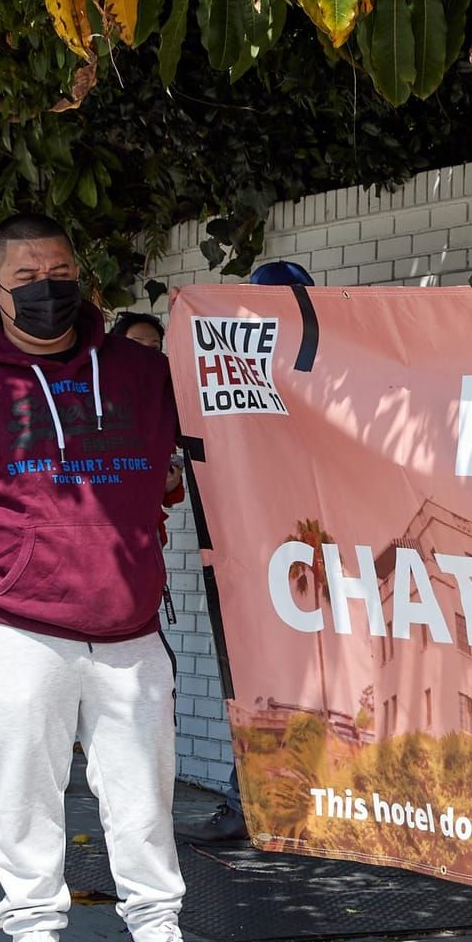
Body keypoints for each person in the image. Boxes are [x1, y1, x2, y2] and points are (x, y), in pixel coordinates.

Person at [0, 213, 238, 942]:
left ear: (82, 274)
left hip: (128, 624)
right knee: (24, 788)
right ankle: (31, 941)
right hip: (15, 624)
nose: (44, 288)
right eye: (24, 276)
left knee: (144, 794)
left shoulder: (139, 372)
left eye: (58, 270)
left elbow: (207, 435)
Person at [188, 258, 317, 845]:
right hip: (253, 551)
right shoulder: (226, 374)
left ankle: (280, 805)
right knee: (257, 681)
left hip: (305, 552)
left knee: (300, 681)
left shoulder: (325, 373)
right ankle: (258, 801)